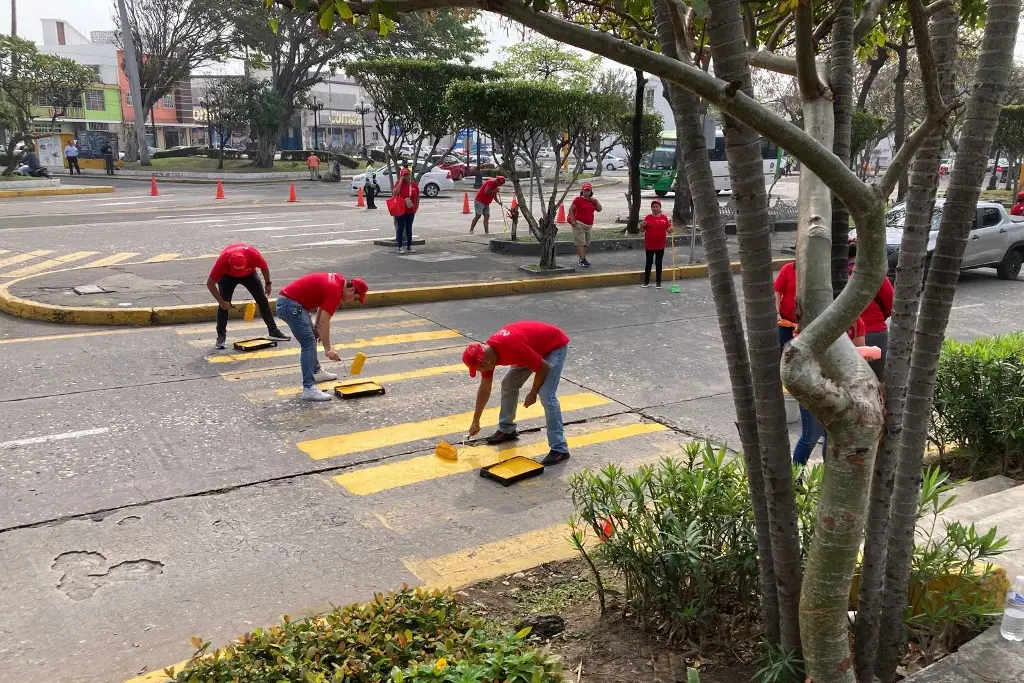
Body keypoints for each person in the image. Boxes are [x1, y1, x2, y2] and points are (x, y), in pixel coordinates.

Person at [462, 321, 572, 465]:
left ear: (485, 363)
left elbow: (543, 368)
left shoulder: (511, 347)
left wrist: (533, 392)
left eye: (478, 370)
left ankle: (560, 448)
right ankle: (507, 430)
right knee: (508, 384)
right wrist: (476, 420)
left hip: (553, 346)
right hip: (531, 349)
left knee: (546, 394)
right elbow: (485, 388)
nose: (480, 372)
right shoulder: (487, 356)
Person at [276, 272, 369, 401]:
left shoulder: (338, 281)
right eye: (356, 298)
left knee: (312, 337)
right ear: (352, 289)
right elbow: (325, 322)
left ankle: (316, 372)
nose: (353, 301)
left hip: (290, 303)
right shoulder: (335, 292)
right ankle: (308, 389)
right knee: (308, 343)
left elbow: (322, 309)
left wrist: (317, 326)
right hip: (291, 306)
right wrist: (328, 350)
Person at [792, 316, 867, 467]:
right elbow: (799, 354)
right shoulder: (814, 322)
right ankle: (796, 480)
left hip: (840, 388)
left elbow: (860, 350)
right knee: (810, 437)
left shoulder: (856, 322)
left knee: (832, 435)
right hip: (812, 387)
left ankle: (827, 479)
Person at [206, 243, 291, 350]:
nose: (239, 274)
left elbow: (264, 267)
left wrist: (268, 283)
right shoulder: (222, 261)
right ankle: (221, 336)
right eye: (237, 271)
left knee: (262, 300)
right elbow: (210, 284)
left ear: (246, 260)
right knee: (223, 306)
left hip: (249, 274)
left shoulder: (252, 254)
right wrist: (222, 302)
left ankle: (273, 331)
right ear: (229, 263)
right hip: (228, 277)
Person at [848, 240, 893, 380]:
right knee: (875, 381)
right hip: (874, 333)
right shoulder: (873, 274)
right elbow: (891, 302)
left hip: (841, 336)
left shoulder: (832, 276)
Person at [568, 182, 602, 268]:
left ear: (591, 192)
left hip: (589, 225)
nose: (587, 192)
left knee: (586, 243)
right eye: (585, 190)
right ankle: (582, 259)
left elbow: (599, 209)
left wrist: (596, 201)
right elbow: (571, 209)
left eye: (588, 191)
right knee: (580, 242)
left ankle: (583, 258)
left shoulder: (592, 201)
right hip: (579, 224)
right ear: (582, 191)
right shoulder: (578, 200)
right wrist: (573, 221)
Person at [640, 199, 673, 288]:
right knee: (648, 263)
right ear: (651, 208)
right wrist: (641, 225)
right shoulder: (648, 218)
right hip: (649, 245)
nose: (655, 208)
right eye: (653, 207)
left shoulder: (664, 218)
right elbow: (642, 230)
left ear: (660, 208)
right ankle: (646, 281)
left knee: (659, 263)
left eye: (657, 206)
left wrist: (671, 229)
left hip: (660, 245)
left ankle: (658, 282)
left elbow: (669, 230)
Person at [393, 167, 419, 254]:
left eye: (407, 175)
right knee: (400, 228)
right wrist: (400, 182)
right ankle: (400, 246)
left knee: (409, 228)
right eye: (403, 175)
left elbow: (418, 196)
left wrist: (416, 207)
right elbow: (395, 193)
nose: (405, 177)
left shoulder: (414, 185)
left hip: (410, 210)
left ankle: (409, 246)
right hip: (401, 210)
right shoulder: (398, 183)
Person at [774, 261, 798, 347]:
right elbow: (778, 291)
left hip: (809, 322)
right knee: (784, 348)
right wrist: (777, 312)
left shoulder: (817, 270)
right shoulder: (788, 268)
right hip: (786, 320)